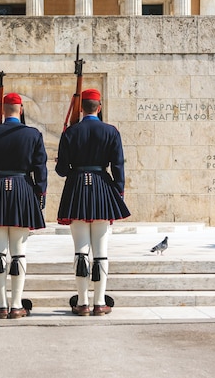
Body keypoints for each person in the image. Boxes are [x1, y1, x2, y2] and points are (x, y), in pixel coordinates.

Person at [55, 88, 131, 316]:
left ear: (81, 108)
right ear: (99, 107)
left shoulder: (70, 132)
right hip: (101, 186)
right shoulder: (111, 131)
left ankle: (82, 302)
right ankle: (99, 302)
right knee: (101, 251)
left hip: (77, 186)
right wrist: (117, 192)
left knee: (80, 250)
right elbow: (118, 166)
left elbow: (61, 170)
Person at [0, 93, 47, 319]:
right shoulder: (33, 134)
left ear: (2, 111)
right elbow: (40, 169)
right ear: (21, 109)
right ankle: (17, 305)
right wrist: (40, 192)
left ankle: (2, 305)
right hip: (23, 188)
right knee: (19, 253)